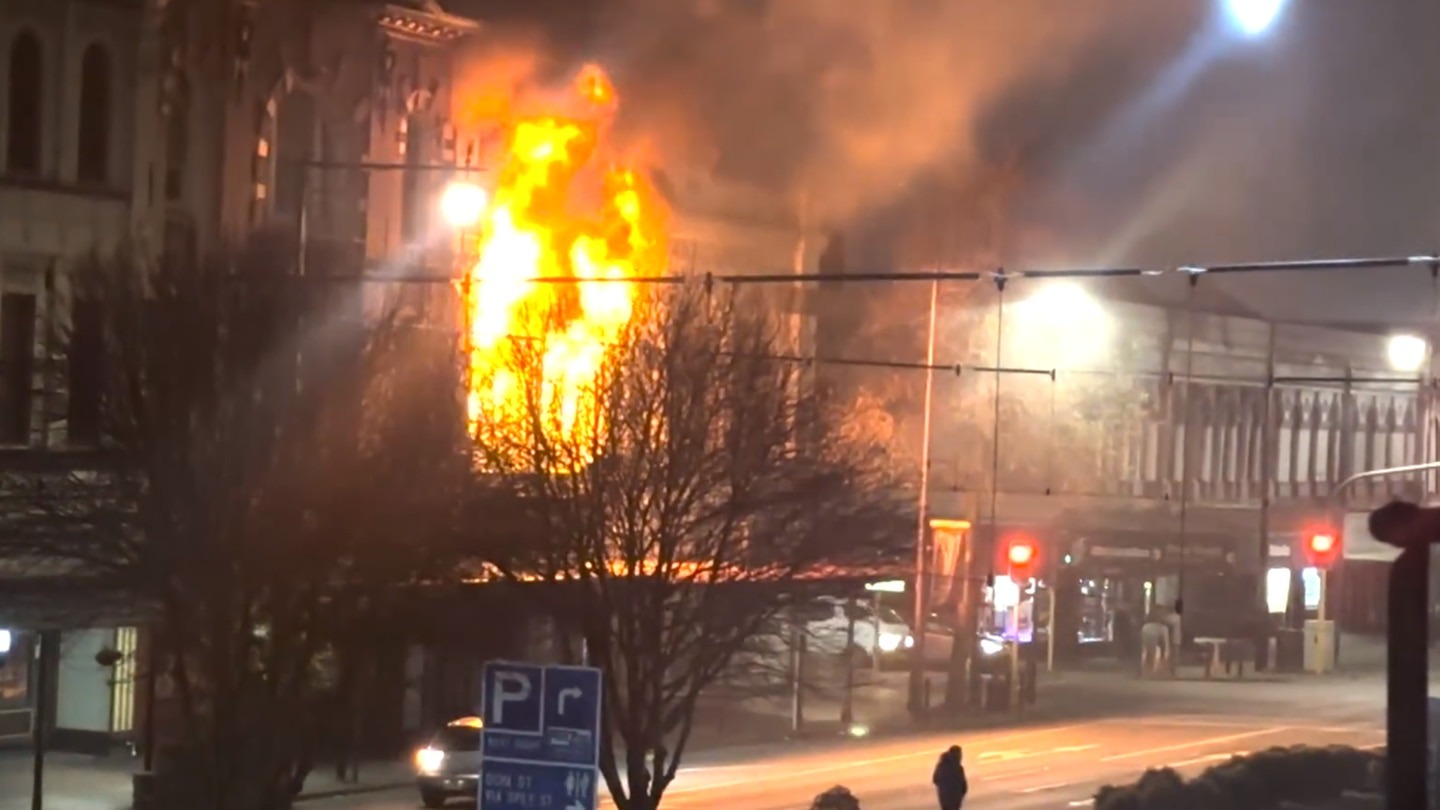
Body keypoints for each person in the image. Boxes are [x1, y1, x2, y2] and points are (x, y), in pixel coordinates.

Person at [932, 744, 969, 810]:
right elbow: (964, 786)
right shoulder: (958, 768)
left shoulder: (941, 766)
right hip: (954, 799)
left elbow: (935, 779)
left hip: (945, 799)